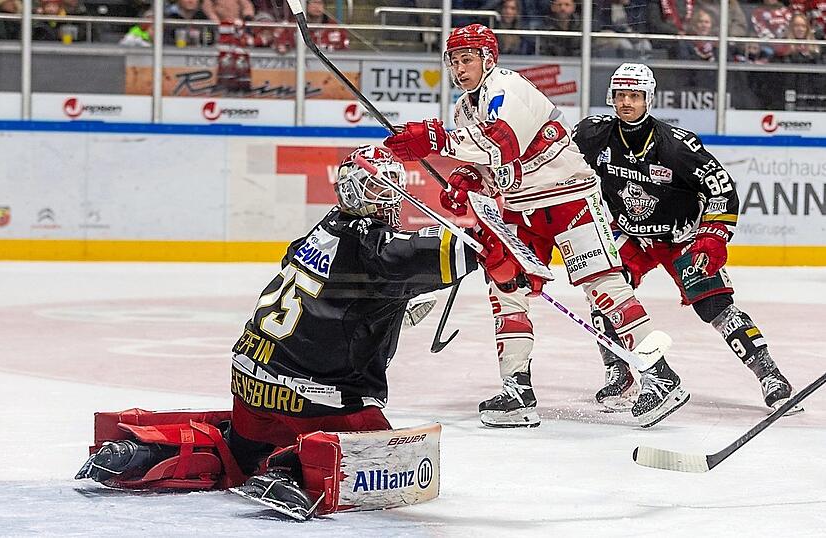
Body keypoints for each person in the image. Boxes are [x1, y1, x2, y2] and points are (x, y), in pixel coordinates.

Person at [76, 145, 524, 518]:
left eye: (391, 185)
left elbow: (336, 303)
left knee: (238, 453)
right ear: (354, 191)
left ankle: (145, 452)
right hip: (311, 400)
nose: (389, 197)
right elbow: (458, 250)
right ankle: (289, 470)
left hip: (249, 382)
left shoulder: (319, 231)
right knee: (387, 451)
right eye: (377, 187)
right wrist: (491, 223)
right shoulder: (376, 251)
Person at [383, 24, 689, 429]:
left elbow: (500, 144)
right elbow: (497, 167)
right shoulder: (463, 108)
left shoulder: (508, 89)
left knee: (605, 288)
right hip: (521, 209)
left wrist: (438, 141)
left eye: (467, 59)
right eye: (454, 61)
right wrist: (470, 181)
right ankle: (518, 390)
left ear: (488, 59)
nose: (459, 68)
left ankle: (661, 376)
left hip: (569, 197)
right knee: (505, 288)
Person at [571, 63, 800, 414]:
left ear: (649, 98)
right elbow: (556, 161)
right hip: (632, 237)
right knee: (603, 299)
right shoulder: (593, 135)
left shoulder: (676, 146)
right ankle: (619, 372)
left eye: (634, 95)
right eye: (621, 95)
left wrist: (713, 236)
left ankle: (768, 372)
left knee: (715, 307)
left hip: (681, 239)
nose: (627, 102)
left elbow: (721, 187)